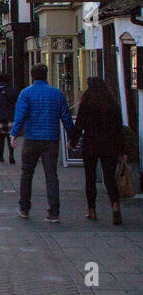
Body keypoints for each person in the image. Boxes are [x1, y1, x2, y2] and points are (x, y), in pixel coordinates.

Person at [11, 62, 75, 222]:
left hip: (31, 137)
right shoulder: (57, 94)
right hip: (51, 139)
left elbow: (20, 115)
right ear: (46, 74)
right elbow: (66, 117)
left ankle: (24, 207)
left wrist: (14, 134)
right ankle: (54, 211)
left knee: (26, 173)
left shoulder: (26, 93)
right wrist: (72, 137)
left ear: (32, 76)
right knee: (51, 175)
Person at [69, 77, 126, 225]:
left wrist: (73, 142)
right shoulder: (112, 103)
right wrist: (122, 149)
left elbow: (79, 124)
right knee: (109, 177)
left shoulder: (87, 102)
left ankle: (92, 210)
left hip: (91, 144)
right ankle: (115, 206)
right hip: (109, 144)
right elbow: (119, 128)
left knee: (90, 177)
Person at [0, 75, 18, 164]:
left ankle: (1, 156)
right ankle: (11, 155)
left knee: (0, 137)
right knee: (11, 137)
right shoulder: (12, 91)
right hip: (10, 116)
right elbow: (16, 101)